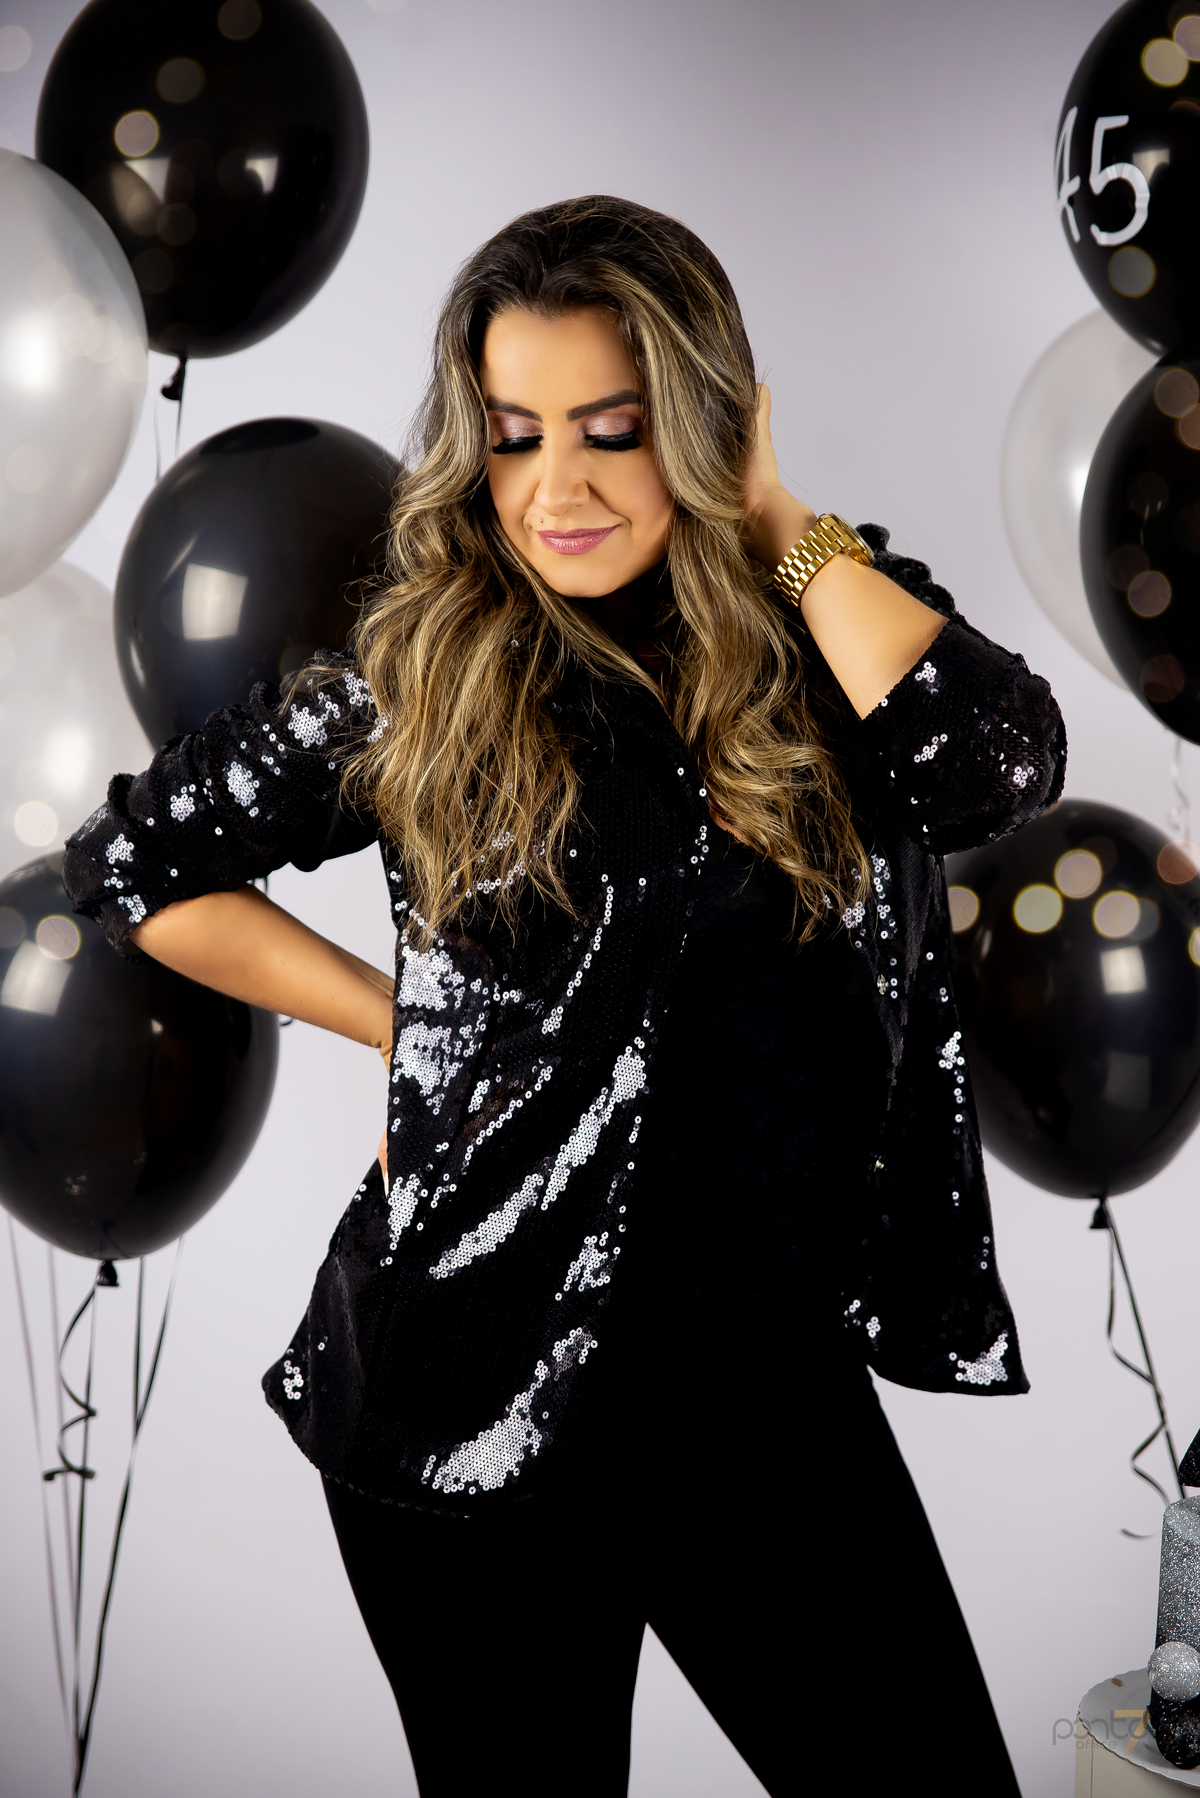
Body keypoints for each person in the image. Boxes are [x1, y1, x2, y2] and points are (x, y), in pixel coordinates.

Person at [64, 195, 1064, 1797]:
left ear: (703, 419)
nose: (557, 487)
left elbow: (998, 764)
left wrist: (780, 514)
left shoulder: (820, 634)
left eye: (613, 428)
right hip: (470, 1393)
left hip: (765, 1400)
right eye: (515, 434)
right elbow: (134, 866)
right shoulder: (423, 672)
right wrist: (402, 1027)